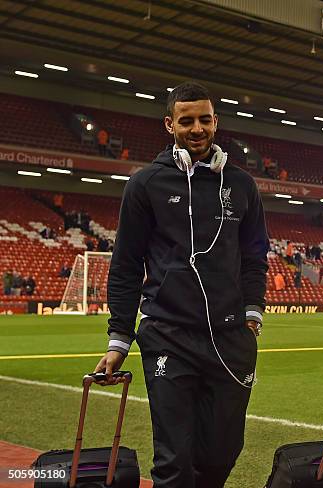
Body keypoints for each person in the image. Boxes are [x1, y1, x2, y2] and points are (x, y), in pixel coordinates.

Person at [93, 81, 269, 488]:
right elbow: (125, 264)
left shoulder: (241, 185)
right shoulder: (145, 184)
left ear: (215, 122)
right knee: (174, 459)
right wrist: (119, 339)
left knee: (221, 453)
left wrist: (252, 313)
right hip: (167, 336)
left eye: (204, 120)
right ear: (169, 124)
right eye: (186, 121)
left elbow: (255, 254)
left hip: (230, 339)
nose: (197, 128)